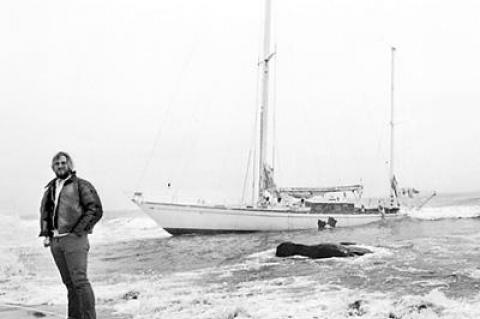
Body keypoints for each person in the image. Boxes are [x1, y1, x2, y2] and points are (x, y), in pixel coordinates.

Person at [39, 151, 103, 319]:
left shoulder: (80, 185)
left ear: (70, 165)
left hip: (74, 239)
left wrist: (77, 232)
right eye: (57, 164)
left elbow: (95, 209)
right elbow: (46, 212)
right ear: (53, 167)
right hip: (56, 241)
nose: (60, 166)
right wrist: (46, 234)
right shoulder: (51, 188)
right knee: (70, 284)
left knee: (80, 282)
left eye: (63, 163)